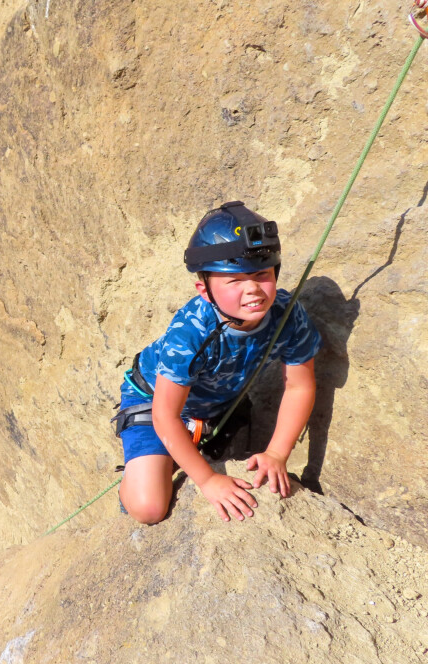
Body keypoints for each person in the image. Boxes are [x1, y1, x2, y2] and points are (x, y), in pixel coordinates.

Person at [114, 201, 322, 523]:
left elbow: (299, 386)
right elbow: (165, 414)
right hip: (155, 402)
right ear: (205, 291)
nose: (253, 289)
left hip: (215, 406)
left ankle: (177, 450)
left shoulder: (287, 316)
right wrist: (208, 480)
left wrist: (278, 453)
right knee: (149, 508)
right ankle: (138, 473)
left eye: (261, 274)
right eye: (234, 280)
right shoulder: (191, 331)